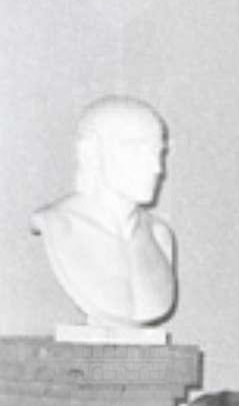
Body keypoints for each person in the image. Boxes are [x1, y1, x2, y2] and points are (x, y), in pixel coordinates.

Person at [15, 96, 176, 331]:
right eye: (135, 149)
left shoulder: (159, 236)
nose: (156, 168)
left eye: (158, 152)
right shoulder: (58, 224)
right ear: (89, 151)